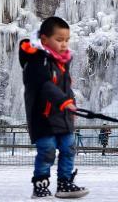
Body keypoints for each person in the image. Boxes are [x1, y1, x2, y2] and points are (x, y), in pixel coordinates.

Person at [20, 16, 88, 198]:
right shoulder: (35, 62)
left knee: (69, 148)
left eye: (67, 40)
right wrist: (64, 101)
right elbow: (44, 85)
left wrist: (71, 104)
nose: (64, 44)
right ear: (44, 40)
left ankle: (65, 183)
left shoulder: (62, 63)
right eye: (59, 40)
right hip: (43, 119)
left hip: (63, 117)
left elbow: (67, 89)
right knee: (47, 150)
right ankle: (40, 184)